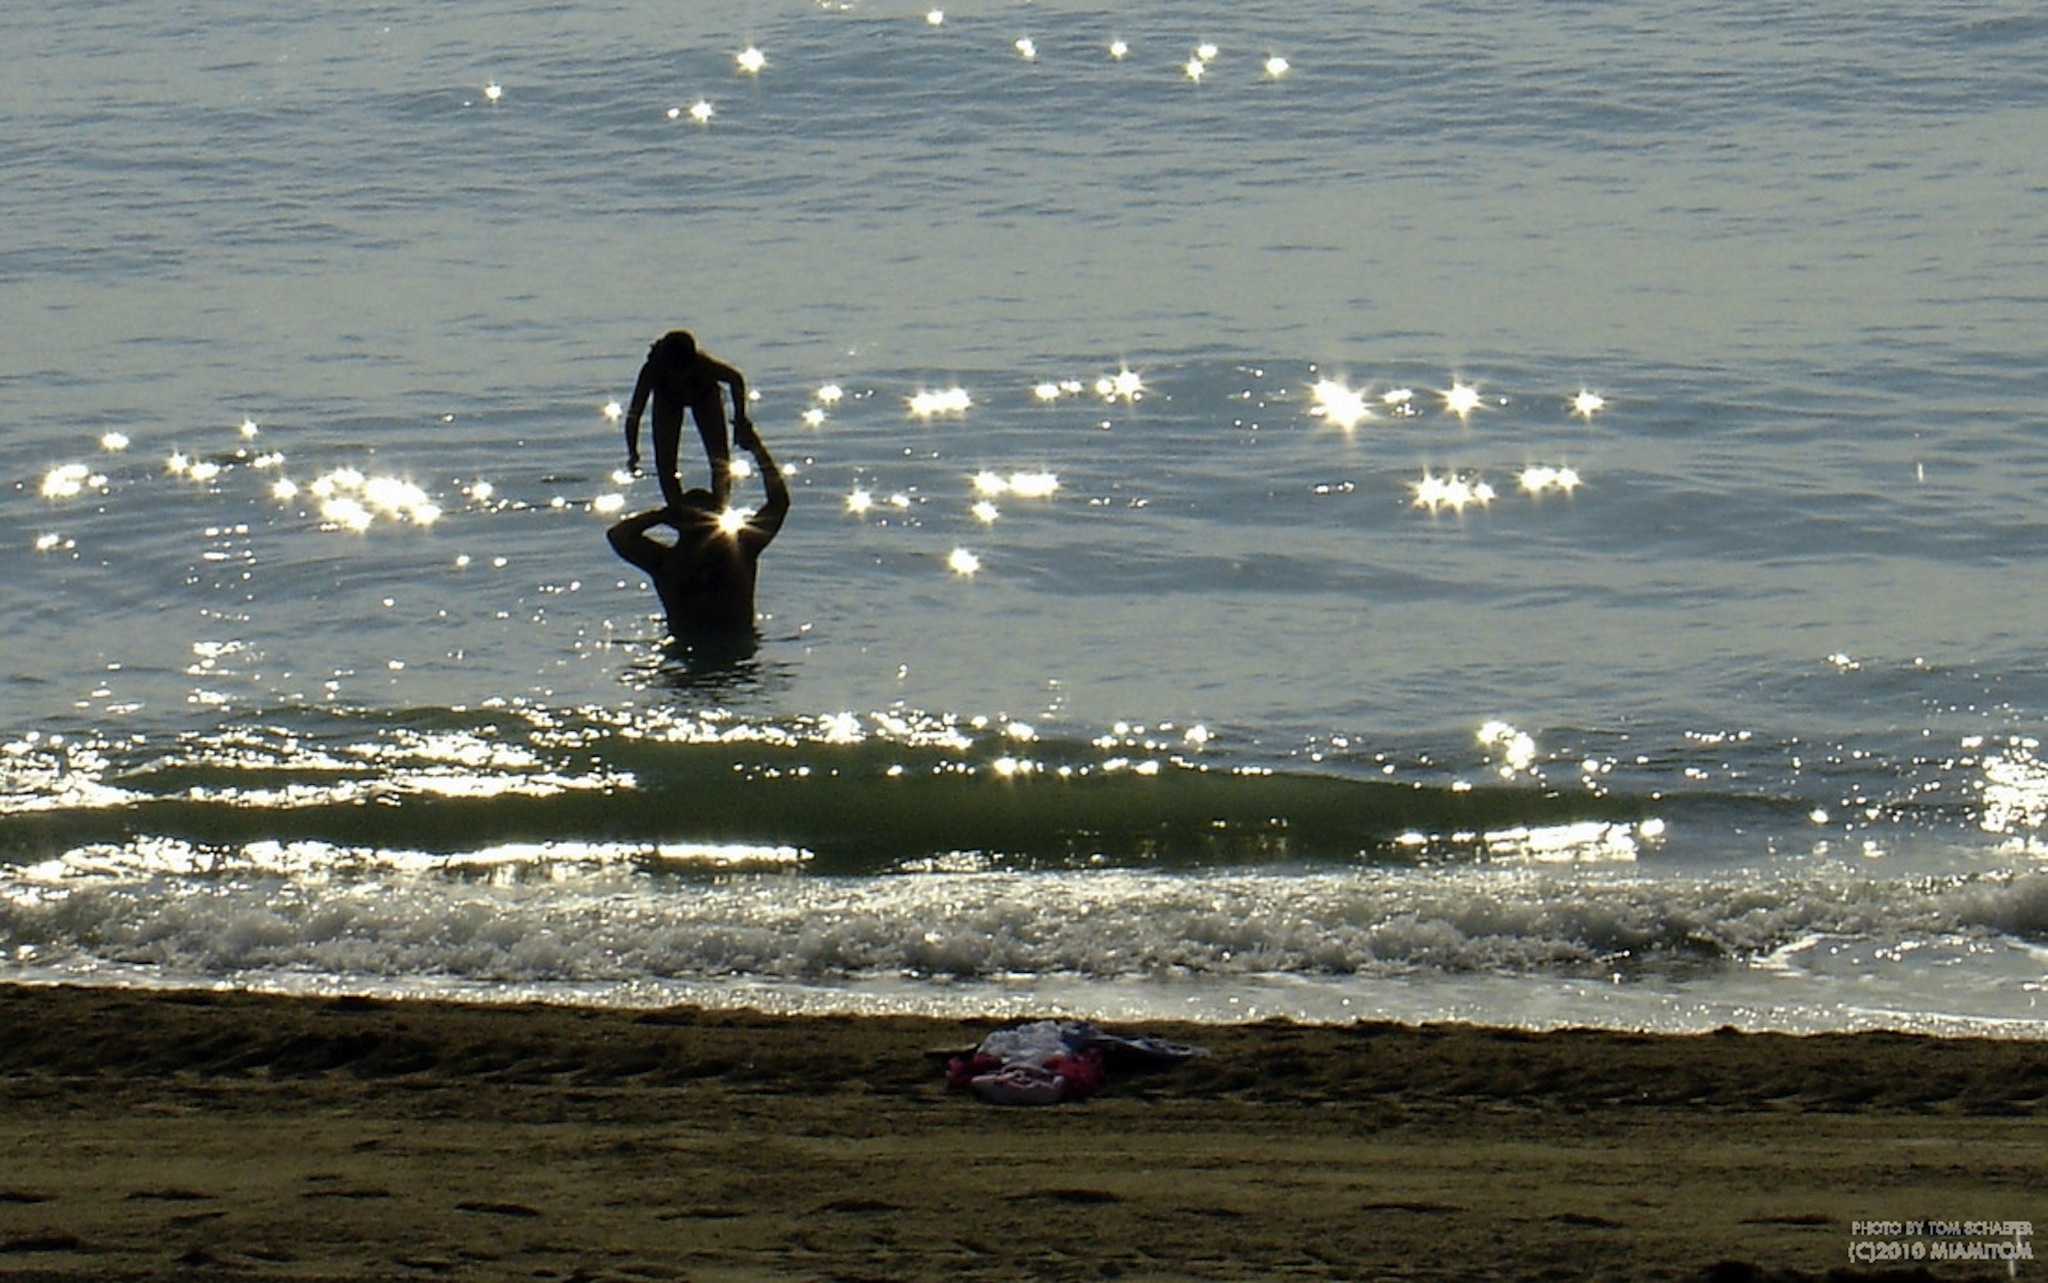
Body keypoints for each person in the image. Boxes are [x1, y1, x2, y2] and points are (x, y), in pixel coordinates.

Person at [607, 419, 789, 638]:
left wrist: (662, 515)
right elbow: (779, 502)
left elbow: (618, 535)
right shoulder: (741, 551)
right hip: (737, 644)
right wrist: (757, 449)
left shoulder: (667, 563)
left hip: (687, 646)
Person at [623, 330, 752, 510]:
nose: (680, 376)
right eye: (675, 371)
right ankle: (676, 509)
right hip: (667, 398)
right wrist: (633, 452)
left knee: (720, 460)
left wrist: (740, 418)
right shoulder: (653, 370)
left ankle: (720, 507)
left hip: (704, 395)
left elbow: (735, 379)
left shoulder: (703, 365)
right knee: (665, 465)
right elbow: (634, 414)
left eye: (684, 370)